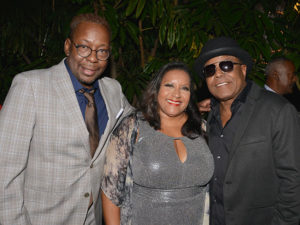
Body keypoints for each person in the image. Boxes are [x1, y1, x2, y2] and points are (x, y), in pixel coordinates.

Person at [0, 13, 132, 225]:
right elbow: (3, 173)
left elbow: (140, 122)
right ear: (68, 46)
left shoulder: (113, 90)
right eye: (84, 47)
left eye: (102, 51)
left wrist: (185, 110)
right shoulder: (30, 86)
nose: (92, 58)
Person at [194, 36, 300, 225]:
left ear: (243, 70)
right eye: (210, 70)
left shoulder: (278, 110)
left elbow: (293, 180)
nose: (218, 74)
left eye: (226, 65)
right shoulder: (210, 117)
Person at [101, 62, 214, 225]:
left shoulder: (202, 128)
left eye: (184, 88)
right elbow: (110, 191)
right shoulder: (132, 127)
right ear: (156, 89)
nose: (177, 94)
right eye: (169, 85)